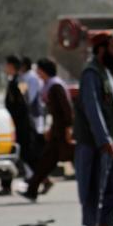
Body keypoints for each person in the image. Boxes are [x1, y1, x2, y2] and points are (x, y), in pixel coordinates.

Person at [72, 32, 113, 226]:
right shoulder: (91, 73)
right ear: (101, 49)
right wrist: (103, 139)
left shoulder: (106, 73)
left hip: (111, 145)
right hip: (94, 144)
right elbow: (92, 108)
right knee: (94, 188)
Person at [19, 58, 72, 201]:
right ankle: (33, 189)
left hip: (60, 131)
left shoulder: (54, 86)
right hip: (56, 130)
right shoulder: (48, 84)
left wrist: (68, 128)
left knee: (69, 157)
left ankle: (33, 188)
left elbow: (65, 109)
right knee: (46, 161)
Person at [0, 54, 39, 196]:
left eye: (7, 65)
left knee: (26, 153)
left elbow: (25, 101)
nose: (5, 68)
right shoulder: (14, 81)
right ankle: (6, 185)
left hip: (21, 124)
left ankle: (43, 179)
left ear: (11, 66)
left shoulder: (20, 81)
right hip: (15, 123)